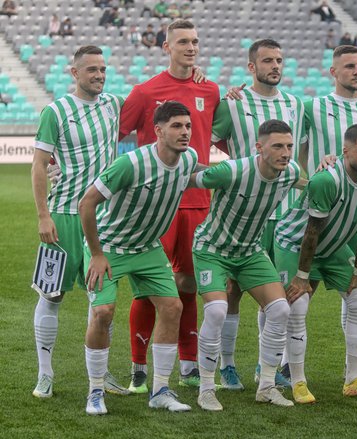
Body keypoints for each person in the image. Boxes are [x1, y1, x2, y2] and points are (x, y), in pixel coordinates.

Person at [79, 101, 201, 415]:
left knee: (173, 307)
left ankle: (160, 389)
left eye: (187, 126)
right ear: (158, 131)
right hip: (109, 247)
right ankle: (95, 392)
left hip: (148, 248)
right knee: (103, 312)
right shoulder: (130, 164)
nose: (184, 132)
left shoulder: (190, 159)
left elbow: (201, 174)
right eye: (176, 126)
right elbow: (87, 203)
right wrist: (96, 253)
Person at [119, 19, 220, 394]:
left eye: (195, 41)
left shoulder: (210, 90)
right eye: (183, 42)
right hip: (154, 206)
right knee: (150, 288)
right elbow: (112, 133)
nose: (191, 47)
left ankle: (189, 363)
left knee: (190, 285)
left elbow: (223, 133)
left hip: (198, 203)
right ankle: (138, 367)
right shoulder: (146, 93)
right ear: (167, 47)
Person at [30, 45, 128, 399]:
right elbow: (39, 165)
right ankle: (45, 374)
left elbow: (157, 105)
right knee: (51, 295)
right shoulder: (56, 111)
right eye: (91, 70)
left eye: (103, 69)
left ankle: (103, 373)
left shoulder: (114, 105)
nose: (99, 75)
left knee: (102, 302)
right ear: (74, 73)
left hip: (104, 219)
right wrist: (43, 214)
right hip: (63, 217)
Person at [210, 38, 305, 391]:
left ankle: (271, 367)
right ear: (252, 67)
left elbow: (302, 151)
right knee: (232, 289)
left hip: (284, 214)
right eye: (267, 60)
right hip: (241, 212)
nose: (275, 66)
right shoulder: (233, 104)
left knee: (279, 292)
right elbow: (209, 138)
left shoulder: (295, 104)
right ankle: (228, 364)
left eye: (279, 59)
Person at [193, 120, 306, 410]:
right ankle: (206, 388)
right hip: (212, 249)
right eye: (277, 146)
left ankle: (266, 386)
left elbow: (312, 183)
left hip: (250, 252)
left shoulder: (290, 172)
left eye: (290, 146)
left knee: (280, 308)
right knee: (217, 310)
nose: (286, 152)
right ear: (259, 148)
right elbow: (190, 178)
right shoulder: (232, 171)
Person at [299, 44, 357, 382]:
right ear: (333, 72)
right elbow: (292, 141)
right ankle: (284, 362)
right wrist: (311, 172)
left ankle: (354, 365)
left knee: (355, 287)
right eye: (350, 66)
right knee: (298, 290)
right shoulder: (312, 107)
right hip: (321, 210)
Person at [275, 124, 357, 402]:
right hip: (295, 242)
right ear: (345, 151)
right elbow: (311, 231)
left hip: (334, 247)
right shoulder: (327, 180)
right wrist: (303, 276)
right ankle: (298, 381)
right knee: (298, 302)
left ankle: (353, 379)